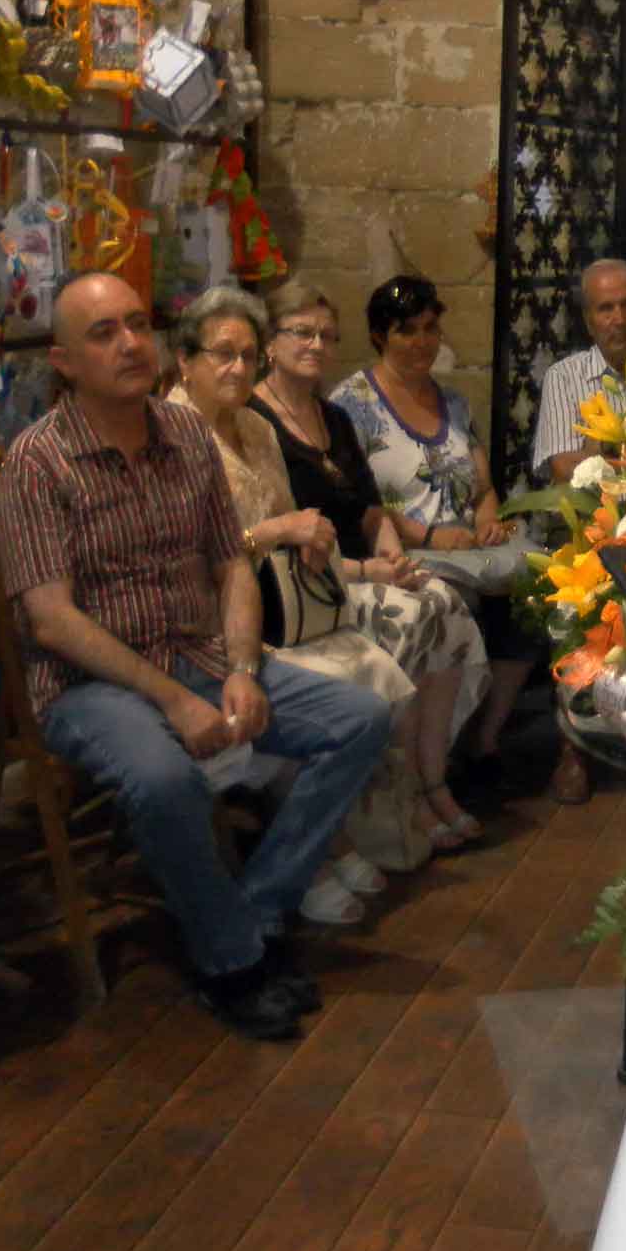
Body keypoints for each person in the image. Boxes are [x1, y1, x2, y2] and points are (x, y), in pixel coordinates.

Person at [0, 272, 390, 1040]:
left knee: (361, 718)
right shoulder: (37, 461)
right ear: (64, 361)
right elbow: (52, 621)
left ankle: (251, 916)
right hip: (89, 684)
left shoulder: (183, 435)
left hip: (200, 654)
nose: (129, 343)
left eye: (136, 324)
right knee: (163, 777)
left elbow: (230, 563)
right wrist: (175, 699)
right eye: (103, 333)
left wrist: (241, 670)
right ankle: (230, 962)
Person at [170, 286, 491, 890]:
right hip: (221, 619)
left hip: (290, 598)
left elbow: (339, 515)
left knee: (432, 613)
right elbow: (192, 549)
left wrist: (336, 547)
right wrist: (301, 543)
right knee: (378, 653)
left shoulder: (256, 428)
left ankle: (412, 795)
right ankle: (335, 841)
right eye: (223, 354)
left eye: (245, 354)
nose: (237, 367)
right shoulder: (176, 434)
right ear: (185, 361)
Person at [252, 279, 494, 854]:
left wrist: (391, 553)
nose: (316, 345)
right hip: (309, 583)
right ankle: (394, 802)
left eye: (326, 335)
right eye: (302, 333)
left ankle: (432, 782)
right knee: (412, 616)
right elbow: (279, 536)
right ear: (270, 343)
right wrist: (369, 573)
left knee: (443, 603)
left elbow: (369, 508)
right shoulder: (256, 420)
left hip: (363, 568)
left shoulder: (331, 417)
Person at [327, 276, 566, 801]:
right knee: (461, 603)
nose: (423, 342)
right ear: (380, 336)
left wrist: (486, 521)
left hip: (468, 549)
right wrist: (432, 535)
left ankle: (483, 738)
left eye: (430, 328)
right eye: (407, 331)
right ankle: (432, 760)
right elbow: (357, 503)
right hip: (404, 552)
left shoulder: (453, 403)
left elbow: (483, 487)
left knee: (533, 595)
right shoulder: (350, 406)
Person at [532, 258, 626, 486]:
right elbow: (563, 469)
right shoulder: (564, 377)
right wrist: (620, 449)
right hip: (596, 507)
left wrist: (596, 453)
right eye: (606, 308)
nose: (620, 319)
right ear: (588, 321)